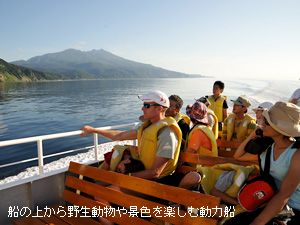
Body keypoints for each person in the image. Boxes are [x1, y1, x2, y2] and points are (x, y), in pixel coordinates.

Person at [80, 90, 182, 180]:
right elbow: (119, 136)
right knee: (97, 186)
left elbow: (155, 172)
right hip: (141, 176)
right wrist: (94, 130)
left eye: (147, 105)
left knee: (99, 193)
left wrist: (127, 177)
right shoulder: (147, 127)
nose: (142, 108)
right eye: (143, 104)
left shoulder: (167, 133)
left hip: (156, 182)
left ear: (159, 109)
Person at [231, 101, 300, 225]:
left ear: (280, 128)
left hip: (293, 210)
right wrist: (253, 135)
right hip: (268, 202)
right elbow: (238, 156)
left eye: (267, 122)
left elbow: (284, 194)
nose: (262, 124)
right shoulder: (266, 148)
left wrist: (257, 222)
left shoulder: (296, 154)